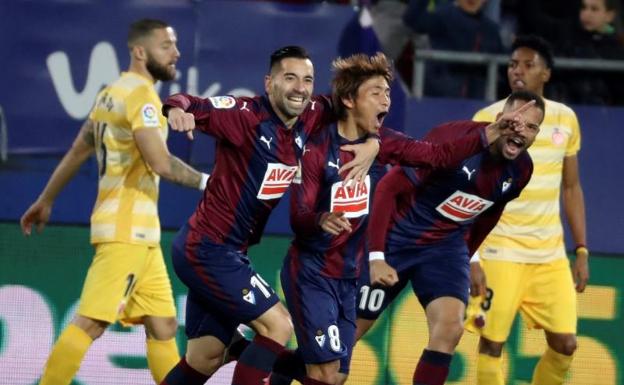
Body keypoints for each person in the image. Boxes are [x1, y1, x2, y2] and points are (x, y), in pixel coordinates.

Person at [275, 52, 517, 385]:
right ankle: (255, 359)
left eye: (387, 92)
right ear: (348, 99)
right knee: (329, 372)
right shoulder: (317, 138)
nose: (386, 99)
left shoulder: (386, 142)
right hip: (318, 267)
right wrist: (321, 220)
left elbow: (436, 154)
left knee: (335, 372)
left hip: (349, 271)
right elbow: (299, 216)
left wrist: (489, 133)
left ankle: (257, 360)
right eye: (376, 92)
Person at [157, 46, 382, 385]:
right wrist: (176, 110)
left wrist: (375, 144)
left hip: (229, 251)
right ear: (269, 82)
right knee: (278, 325)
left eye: (307, 80)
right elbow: (188, 102)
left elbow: (358, 112)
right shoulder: (244, 115)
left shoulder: (313, 113)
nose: (300, 88)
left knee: (205, 357)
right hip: (207, 248)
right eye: (289, 78)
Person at [19, 19, 210, 385]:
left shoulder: (111, 93)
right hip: (128, 231)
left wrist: (46, 199)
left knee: (164, 325)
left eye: (175, 45)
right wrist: (209, 181)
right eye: (166, 46)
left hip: (139, 235)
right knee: (90, 323)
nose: (177, 54)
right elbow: (161, 161)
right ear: (140, 51)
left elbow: (79, 150)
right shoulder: (141, 97)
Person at [353, 90, 543, 385]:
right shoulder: (454, 140)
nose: (522, 132)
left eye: (532, 127)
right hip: (397, 239)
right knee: (341, 344)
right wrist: (376, 255)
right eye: (517, 122)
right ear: (500, 118)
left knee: (450, 328)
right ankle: (276, 370)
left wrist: (467, 259)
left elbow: (491, 212)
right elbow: (389, 187)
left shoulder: (521, 169)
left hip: (445, 249)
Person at [465, 35, 589, 385]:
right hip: (500, 250)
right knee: (492, 344)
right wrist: (472, 256)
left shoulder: (565, 119)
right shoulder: (487, 118)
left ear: (546, 74)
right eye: (512, 65)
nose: (518, 71)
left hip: (549, 256)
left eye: (528, 64)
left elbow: (571, 187)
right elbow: (469, 187)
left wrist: (581, 249)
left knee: (565, 344)